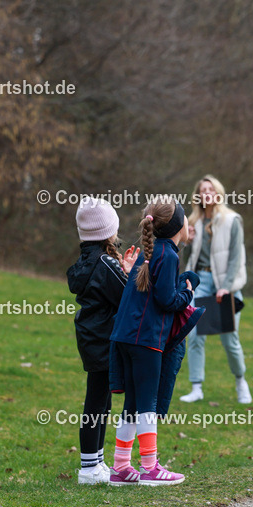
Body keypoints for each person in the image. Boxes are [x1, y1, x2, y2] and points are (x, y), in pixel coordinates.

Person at [107, 198, 193, 486]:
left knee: (132, 403)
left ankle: (120, 466)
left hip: (125, 335)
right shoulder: (168, 254)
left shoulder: (152, 249)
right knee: (147, 403)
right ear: (179, 225)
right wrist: (188, 293)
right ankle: (150, 467)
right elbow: (167, 300)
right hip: (146, 339)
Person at [67, 198, 138, 484]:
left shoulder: (86, 262)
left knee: (100, 401)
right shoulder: (106, 263)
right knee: (96, 403)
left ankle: (95, 462)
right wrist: (130, 273)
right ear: (108, 230)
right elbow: (127, 297)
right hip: (103, 339)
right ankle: (88, 468)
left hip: (90, 336)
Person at [180, 175, 252, 405]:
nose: (207, 192)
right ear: (198, 195)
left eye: (211, 188)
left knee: (229, 337)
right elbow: (187, 259)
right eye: (203, 189)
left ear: (218, 192)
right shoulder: (193, 222)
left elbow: (235, 256)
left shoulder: (232, 220)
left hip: (224, 283)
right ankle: (196, 387)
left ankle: (241, 381)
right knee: (194, 336)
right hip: (200, 281)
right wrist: (187, 243)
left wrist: (226, 287)